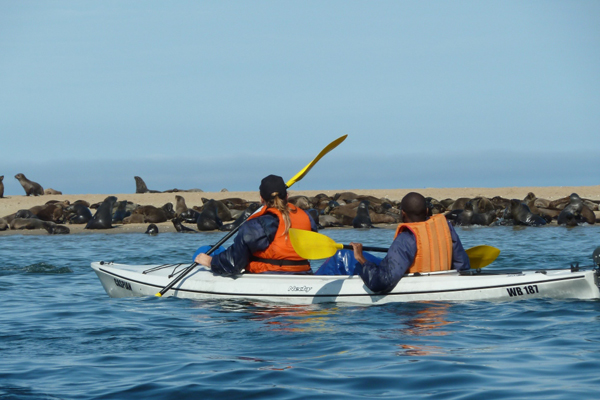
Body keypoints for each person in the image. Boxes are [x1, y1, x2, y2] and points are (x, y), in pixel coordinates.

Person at [194, 174, 318, 276]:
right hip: (303, 272)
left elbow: (233, 262)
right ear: (287, 196)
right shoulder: (307, 218)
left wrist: (211, 261)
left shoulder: (258, 225)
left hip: (269, 274)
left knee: (205, 251)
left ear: (261, 199)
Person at [350, 192, 470, 293]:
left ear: (403, 213)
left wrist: (361, 258)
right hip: (446, 302)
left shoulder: (405, 239)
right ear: (427, 210)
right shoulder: (445, 227)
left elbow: (380, 283)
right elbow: (463, 265)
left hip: (418, 308)